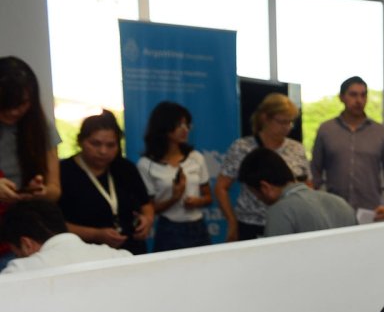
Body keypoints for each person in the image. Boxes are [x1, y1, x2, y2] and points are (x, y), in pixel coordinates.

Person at [215, 93, 311, 242]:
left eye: (290, 122)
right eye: (282, 122)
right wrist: (232, 221)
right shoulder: (242, 147)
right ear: (265, 118)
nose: (287, 128)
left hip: (290, 221)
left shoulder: (296, 148)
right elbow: (221, 187)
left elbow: (308, 185)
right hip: (251, 224)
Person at [58, 111, 154, 254]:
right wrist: (96, 234)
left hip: (131, 250)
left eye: (111, 145)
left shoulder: (125, 168)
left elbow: (146, 204)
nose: (103, 151)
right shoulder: (63, 172)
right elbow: (54, 224)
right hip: (83, 253)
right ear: (80, 141)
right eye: (95, 144)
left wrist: (147, 219)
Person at [0, 56, 62, 269]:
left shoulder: (41, 128)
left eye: (22, 104)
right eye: (7, 104)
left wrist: (38, 192)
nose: (14, 111)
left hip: (24, 238)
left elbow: (54, 190)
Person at [310, 76, 384, 214]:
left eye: (363, 95)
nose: (359, 100)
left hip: (371, 209)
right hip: (335, 208)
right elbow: (315, 170)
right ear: (341, 97)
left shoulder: (380, 131)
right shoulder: (326, 130)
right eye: (353, 95)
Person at [137, 101, 213, 251]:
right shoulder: (146, 164)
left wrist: (197, 201)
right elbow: (149, 209)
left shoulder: (196, 157)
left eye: (187, 125)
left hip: (198, 227)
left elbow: (208, 197)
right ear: (163, 126)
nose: (185, 129)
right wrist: (174, 198)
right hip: (169, 229)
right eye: (179, 125)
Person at [236, 147, 355, 237]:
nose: (258, 199)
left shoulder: (280, 212)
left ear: (265, 187)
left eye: (256, 194)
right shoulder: (341, 203)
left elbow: (276, 259)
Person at [1, 199, 130, 274]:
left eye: (17, 254)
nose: (18, 258)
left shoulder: (18, 271)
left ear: (26, 244)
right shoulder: (121, 257)